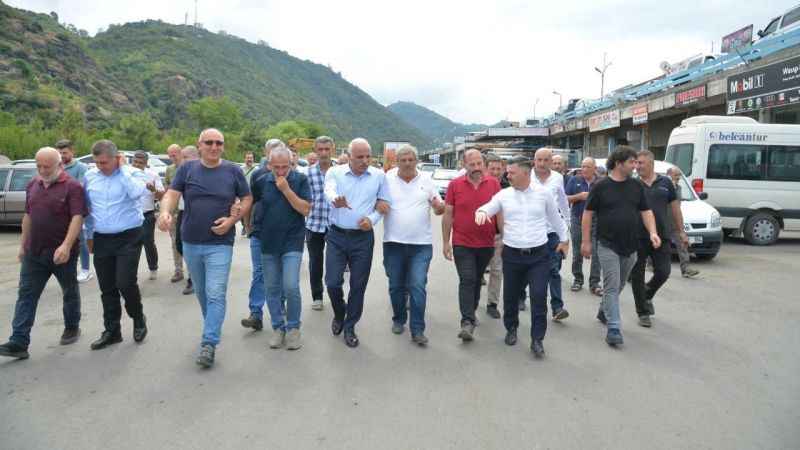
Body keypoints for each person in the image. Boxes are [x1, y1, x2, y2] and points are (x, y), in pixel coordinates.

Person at [158, 129, 252, 368]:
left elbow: (247, 198)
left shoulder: (233, 171)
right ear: (199, 145)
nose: (214, 146)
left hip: (220, 243)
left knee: (215, 292)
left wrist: (232, 220)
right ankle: (212, 323)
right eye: (209, 142)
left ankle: (209, 342)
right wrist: (165, 212)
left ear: (223, 146)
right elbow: (171, 194)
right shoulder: (187, 169)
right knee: (202, 292)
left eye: (219, 143)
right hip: (191, 241)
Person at [0, 148, 88, 360]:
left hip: (62, 254)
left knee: (69, 291)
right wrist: (23, 245)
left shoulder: (73, 187)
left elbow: (77, 218)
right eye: (38, 166)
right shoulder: (33, 184)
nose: (41, 170)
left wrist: (66, 246)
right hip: (35, 252)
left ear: (59, 165)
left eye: (46, 167)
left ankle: (72, 326)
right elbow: (28, 216)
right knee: (26, 295)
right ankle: (19, 341)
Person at [476, 158, 568, 357]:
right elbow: (489, 206)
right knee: (510, 296)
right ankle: (511, 328)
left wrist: (564, 239)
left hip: (538, 255)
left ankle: (537, 339)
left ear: (525, 173)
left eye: (511, 172)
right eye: (507, 172)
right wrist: (481, 212)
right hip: (512, 255)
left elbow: (556, 218)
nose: (507, 175)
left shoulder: (543, 194)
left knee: (538, 296)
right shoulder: (504, 195)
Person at [581, 146, 660, 346]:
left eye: (636, 162)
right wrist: (586, 241)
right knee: (611, 285)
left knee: (619, 284)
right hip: (607, 244)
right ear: (618, 163)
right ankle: (614, 328)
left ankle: (604, 310)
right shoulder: (601, 186)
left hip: (631, 246)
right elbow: (587, 214)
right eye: (631, 162)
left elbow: (646, 211)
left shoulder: (636, 186)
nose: (635, 166)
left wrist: (653, 232)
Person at [324, 138, 391, 348]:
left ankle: (350, 326)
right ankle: (339, 313)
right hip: (336, 236)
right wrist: (335, 200)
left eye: (368, 156)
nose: (364, 161)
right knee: (332, 282)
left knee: (358, 285)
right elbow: (329, 191)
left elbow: (384, 203)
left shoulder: (379, 176)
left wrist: (372, 220)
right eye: (359, 157)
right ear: (349, 156)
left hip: (362, 239)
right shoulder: (335, 172)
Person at [83, 140, 149, 350]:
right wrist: (89, 235)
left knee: (125, 282)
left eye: (104, 162)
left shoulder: (133, 174)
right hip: (102, 238)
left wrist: (122, 171)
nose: (100, 166)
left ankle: (138, 318)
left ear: (117, 158)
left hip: (129, 237)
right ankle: (112, 331)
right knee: (107, 287)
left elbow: (137, 193)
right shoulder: (90, 176)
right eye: (97, 162)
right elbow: (88, 209)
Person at [383, 145, 445, 345]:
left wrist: (439, 207)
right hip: (393, 243)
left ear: (416, 161)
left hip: (421, 245)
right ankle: (399, 318)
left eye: (411, 160)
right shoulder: (387, 179)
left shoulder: (427, 180)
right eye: (403, 160)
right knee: (396, 286)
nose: (407, 163)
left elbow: (438, 207)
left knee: (417, 285)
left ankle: (417, 329)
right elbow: (378, 202)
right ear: (397, 162)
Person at [252, 145, 311, 350]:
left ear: (291, 164)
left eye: (285, 167)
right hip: (268, 241)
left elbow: (305, 209)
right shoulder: (261, 181)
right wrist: (251, 228)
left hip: (292, 240)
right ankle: (278, 327)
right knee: (271, 288)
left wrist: (286, 190)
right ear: (269, 165)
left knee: (291, 285)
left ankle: (293, 328)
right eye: (276, 167)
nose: (280, 171)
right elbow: (251, 203)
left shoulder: (300, 180)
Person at [442, 149, 501, 341]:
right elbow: (448, 214)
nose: (476, 168)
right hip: (462, 242)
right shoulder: (455, 185)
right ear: (464, 165)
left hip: (486, 243)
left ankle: (471, 310)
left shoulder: (494, 184)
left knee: (475, 280)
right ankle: (466, 321)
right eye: (472, 164)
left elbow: (500, 212)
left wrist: (504, 237)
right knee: (467, 279)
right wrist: (445, 242)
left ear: (484, 164)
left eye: (479, 164)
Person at [630, 151, 689, 328]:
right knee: (637, 275)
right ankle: (642, 312)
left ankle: (646, 294)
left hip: (661, 235)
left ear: (651, 164)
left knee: (664, 272)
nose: (637, 166)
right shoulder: (633, 184)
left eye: (641, 163)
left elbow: (675, 209)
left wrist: (681, 231)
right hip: (638, 236)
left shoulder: (666, 183)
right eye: (636, 163)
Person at [241, 138, 284, 331]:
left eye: (279, 149)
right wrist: (247, 225)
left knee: (279, 272)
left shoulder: (291, 175)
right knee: (259, 272)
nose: (275, 153)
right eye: (272, 150)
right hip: (259, 231)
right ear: (266, 153)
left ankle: (280, 308)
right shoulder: (258, 175)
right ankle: (255, 313)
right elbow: (250, 201)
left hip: (282, 234)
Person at [532, 148, 571, 321]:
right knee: (527, 269)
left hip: (552, 232)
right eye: (539, 160)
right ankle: (520, 297)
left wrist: (567, 224)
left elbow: (562, 201)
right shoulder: (526, 176)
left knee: (553, 269)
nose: (542, 163)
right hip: (531, 232)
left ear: (551, 161)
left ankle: (557, 307)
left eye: (546, 160)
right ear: (534, 161)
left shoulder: (557, 178)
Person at [56, 139, 93, 284]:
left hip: (78, 210)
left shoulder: (81, 167)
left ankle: (85, 270)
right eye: (59, 153)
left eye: (65, 153)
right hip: (61, 210)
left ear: (72, 151)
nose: (62, 156)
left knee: (81, 240)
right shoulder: (57, 167)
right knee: (64, 239)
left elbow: (79, 188)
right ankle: (68, 269)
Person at [304, 136, 335, 312]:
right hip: (314, 225)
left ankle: (335, 295)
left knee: (334, 263)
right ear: (315, 151)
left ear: (332, 150)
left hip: (335, 225)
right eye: (320, 149)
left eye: (327, 149)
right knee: (315, 262)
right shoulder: (307, 173)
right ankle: (317, 297)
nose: (323, 153)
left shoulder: (340, 172)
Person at [565, 157, 601, 293]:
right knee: (577, 252)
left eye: (587, 167)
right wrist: (579, 196)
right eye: (583, 166)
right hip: (577, 220)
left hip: (597, 221)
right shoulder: (574, 180)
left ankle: (594, 283)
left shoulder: (601, 182)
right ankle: (578, 279)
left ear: (594, 169)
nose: (584, 169)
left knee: (597, 253)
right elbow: (565, 198)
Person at [131, 151, 165, 281]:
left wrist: (153, 190)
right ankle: (131, 272)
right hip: (130, 215)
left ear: (146, 163)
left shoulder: (152, 175)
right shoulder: (126, 174)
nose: (137, 165)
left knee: (148, 243)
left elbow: (161, 196)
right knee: (131, 245)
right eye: (135, 162)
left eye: (140, 163)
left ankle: (153, 268)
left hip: (147, 214)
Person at [175, 145, 200, 295]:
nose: (181, 160)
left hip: (197, 213)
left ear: (195, 157)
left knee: (193, 244)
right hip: (182, 212)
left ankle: (193, 278)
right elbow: (171, 192)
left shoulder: (201, 172)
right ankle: (196, 270)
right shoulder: (181, 171)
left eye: (185, 157)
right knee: (179, 244)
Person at [485, 155, 507, 319]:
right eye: (492, 168)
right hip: (480, 235)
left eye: (498, 168)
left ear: (503, 169)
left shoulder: (509, 186)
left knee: (497, 270)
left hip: (499, 235)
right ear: (486, 169)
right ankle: (472, 302)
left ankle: (492, 303)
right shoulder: (480, 185)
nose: (495, 172)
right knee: (475, 271)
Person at [667, 167, 700, 278]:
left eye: (679, 175)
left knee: (682, 244)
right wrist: (671, 186)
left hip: (675, 221)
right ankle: (650, 263)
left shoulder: (679, 188)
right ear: (669, 175)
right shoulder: (664, 187)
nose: (678, 178)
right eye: (676, 175)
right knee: (657, 244)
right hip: (663, 220)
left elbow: (678, 204)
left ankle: (686, 269)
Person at [163, 144, 185, 284]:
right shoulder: (169, 169)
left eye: (174, 154)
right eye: (170, 155)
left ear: (180, 153)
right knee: (174, 242)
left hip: (186, 211)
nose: (173, 158)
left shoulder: (188, 167)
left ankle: (194, 272)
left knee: (187, 241)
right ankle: (178, 270)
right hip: (174, 212)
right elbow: (167, 188)